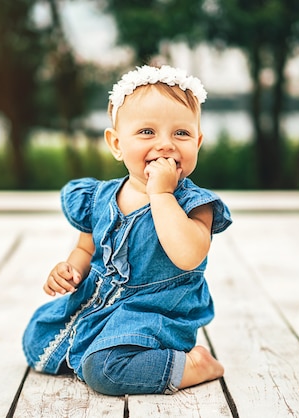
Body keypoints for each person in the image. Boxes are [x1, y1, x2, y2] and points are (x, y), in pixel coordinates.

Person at [22, 65, 233, 396]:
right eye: (147, 132)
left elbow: (189, 255)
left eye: (181, 133)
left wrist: (161, 195)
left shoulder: (194, 203)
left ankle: (192, 365)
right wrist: (70, 269)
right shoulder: (99, 196)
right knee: (35, 341)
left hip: (156, 311)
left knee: (105, 371)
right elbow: (85, 249)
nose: (165, 145)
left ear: (198, 141)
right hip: (99, 300)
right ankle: (99, 348)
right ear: (116, 143)